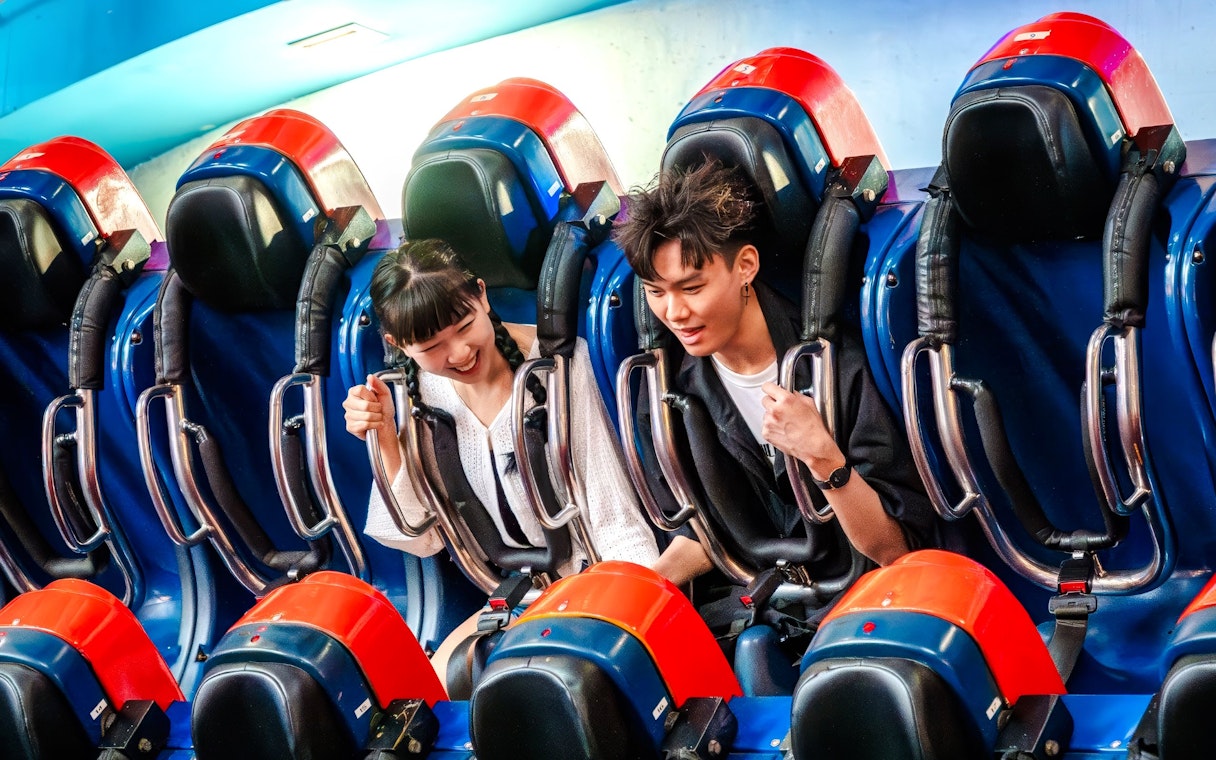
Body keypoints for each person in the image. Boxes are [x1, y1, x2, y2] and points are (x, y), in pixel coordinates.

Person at [612, 160, 939, 613]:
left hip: (867, 602)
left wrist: (824, 457)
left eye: (691, 287)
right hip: (759, 607)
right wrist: (640, 590)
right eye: (656, 291)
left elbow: (895, 550)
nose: (674, 312)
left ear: (745, 265)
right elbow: (707, 536)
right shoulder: (670, 393)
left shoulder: (837, 370)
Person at [343, 238, 668, 680]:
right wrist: (385, 439)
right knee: (428, 696)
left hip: (595, 589)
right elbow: (422, 539)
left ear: (481, 294)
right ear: (397, 344)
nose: (458, 353)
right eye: (432, 346)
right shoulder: (413, 394)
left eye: (464, 326)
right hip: (513, 601)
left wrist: (630, 615)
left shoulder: (560, 366)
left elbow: (617, 522)